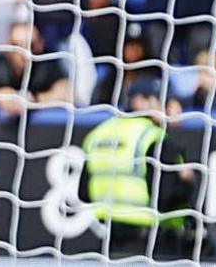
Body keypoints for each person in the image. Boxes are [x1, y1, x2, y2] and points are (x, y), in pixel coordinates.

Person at [76, 84, 200, 258]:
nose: (174, 109)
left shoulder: (98, 134)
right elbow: (164, 198)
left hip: (111, 239)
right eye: (166, 102)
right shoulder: (154, 138)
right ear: (144, 101)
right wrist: (186, 181)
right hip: (154, 242)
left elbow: (83, 193)